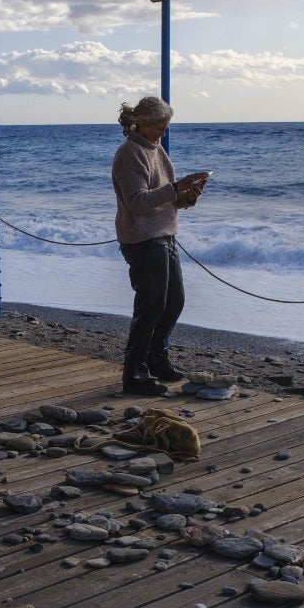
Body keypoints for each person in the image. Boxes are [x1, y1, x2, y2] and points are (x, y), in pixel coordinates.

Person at [112, 96, 209, 395]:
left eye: (165, 128)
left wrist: (186, 196)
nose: (162, 133)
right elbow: (137, 202)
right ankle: (134, 373)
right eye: (159, 127)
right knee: (150, 307)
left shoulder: (157, 151)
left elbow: (166, 199)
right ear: (142, 123)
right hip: (142, 238)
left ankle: (156, 357)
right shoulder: (130, 153)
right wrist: (174, 189)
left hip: (164, 235)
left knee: (174, 302)